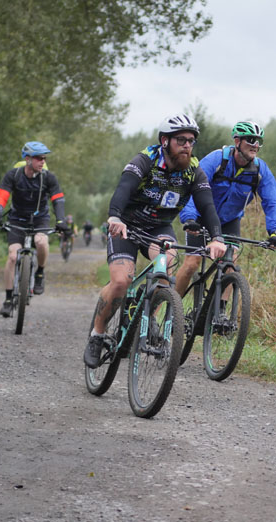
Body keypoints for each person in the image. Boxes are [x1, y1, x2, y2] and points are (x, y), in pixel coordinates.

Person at [83, 114, 227, 368]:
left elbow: (207, 206)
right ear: (165, 141)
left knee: (165, 266)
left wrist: (216, 238)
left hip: (159, 228)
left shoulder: (194, 171)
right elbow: (123, 189)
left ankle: (146, 312)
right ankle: (97, 335)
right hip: (127, 226)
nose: (187, 145)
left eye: (191, 141)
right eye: (181, 140)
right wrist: (115, 217)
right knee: (121, 282)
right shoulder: (145, 160)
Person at [174, 120, 276, 296]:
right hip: (200, 217)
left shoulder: (259, 170)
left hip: (229, 221)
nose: (255, 145)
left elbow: (273, 200)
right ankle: (173, 307)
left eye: (259, 141)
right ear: (237, 141)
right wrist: (189, 218)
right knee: (192, 264)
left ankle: (220, 312)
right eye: (251, 140)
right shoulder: (217, 160)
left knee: (230, 264)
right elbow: (192, 187)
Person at [0, 141, 68, 317]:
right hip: (17, 218)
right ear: (27, 159)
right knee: (12, 256)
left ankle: (40, 272)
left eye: (44, 158)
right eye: (39, 158)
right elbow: (2, 194)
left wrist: (61, 219)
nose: (42, 161)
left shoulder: (48, 177)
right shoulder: (14, 175)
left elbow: (58, 199)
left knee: (41, 242)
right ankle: (8, 299)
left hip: (40, 219)